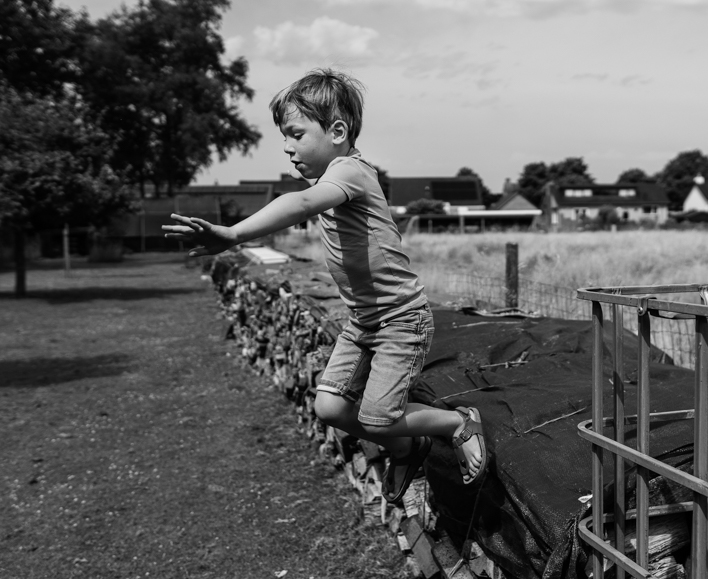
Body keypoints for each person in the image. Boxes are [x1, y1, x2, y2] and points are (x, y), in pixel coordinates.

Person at [163, 68, 487, 502]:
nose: (287, 147)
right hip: (363, 322)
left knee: (376, 418)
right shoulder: (330, 183)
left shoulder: (349, 171)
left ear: (337, 131)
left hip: (400, 321)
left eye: (296, 134)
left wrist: (232, 234)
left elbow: (297, 203)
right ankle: (408, 448)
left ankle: (456, 422)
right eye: (284, 138)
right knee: (329, 407)